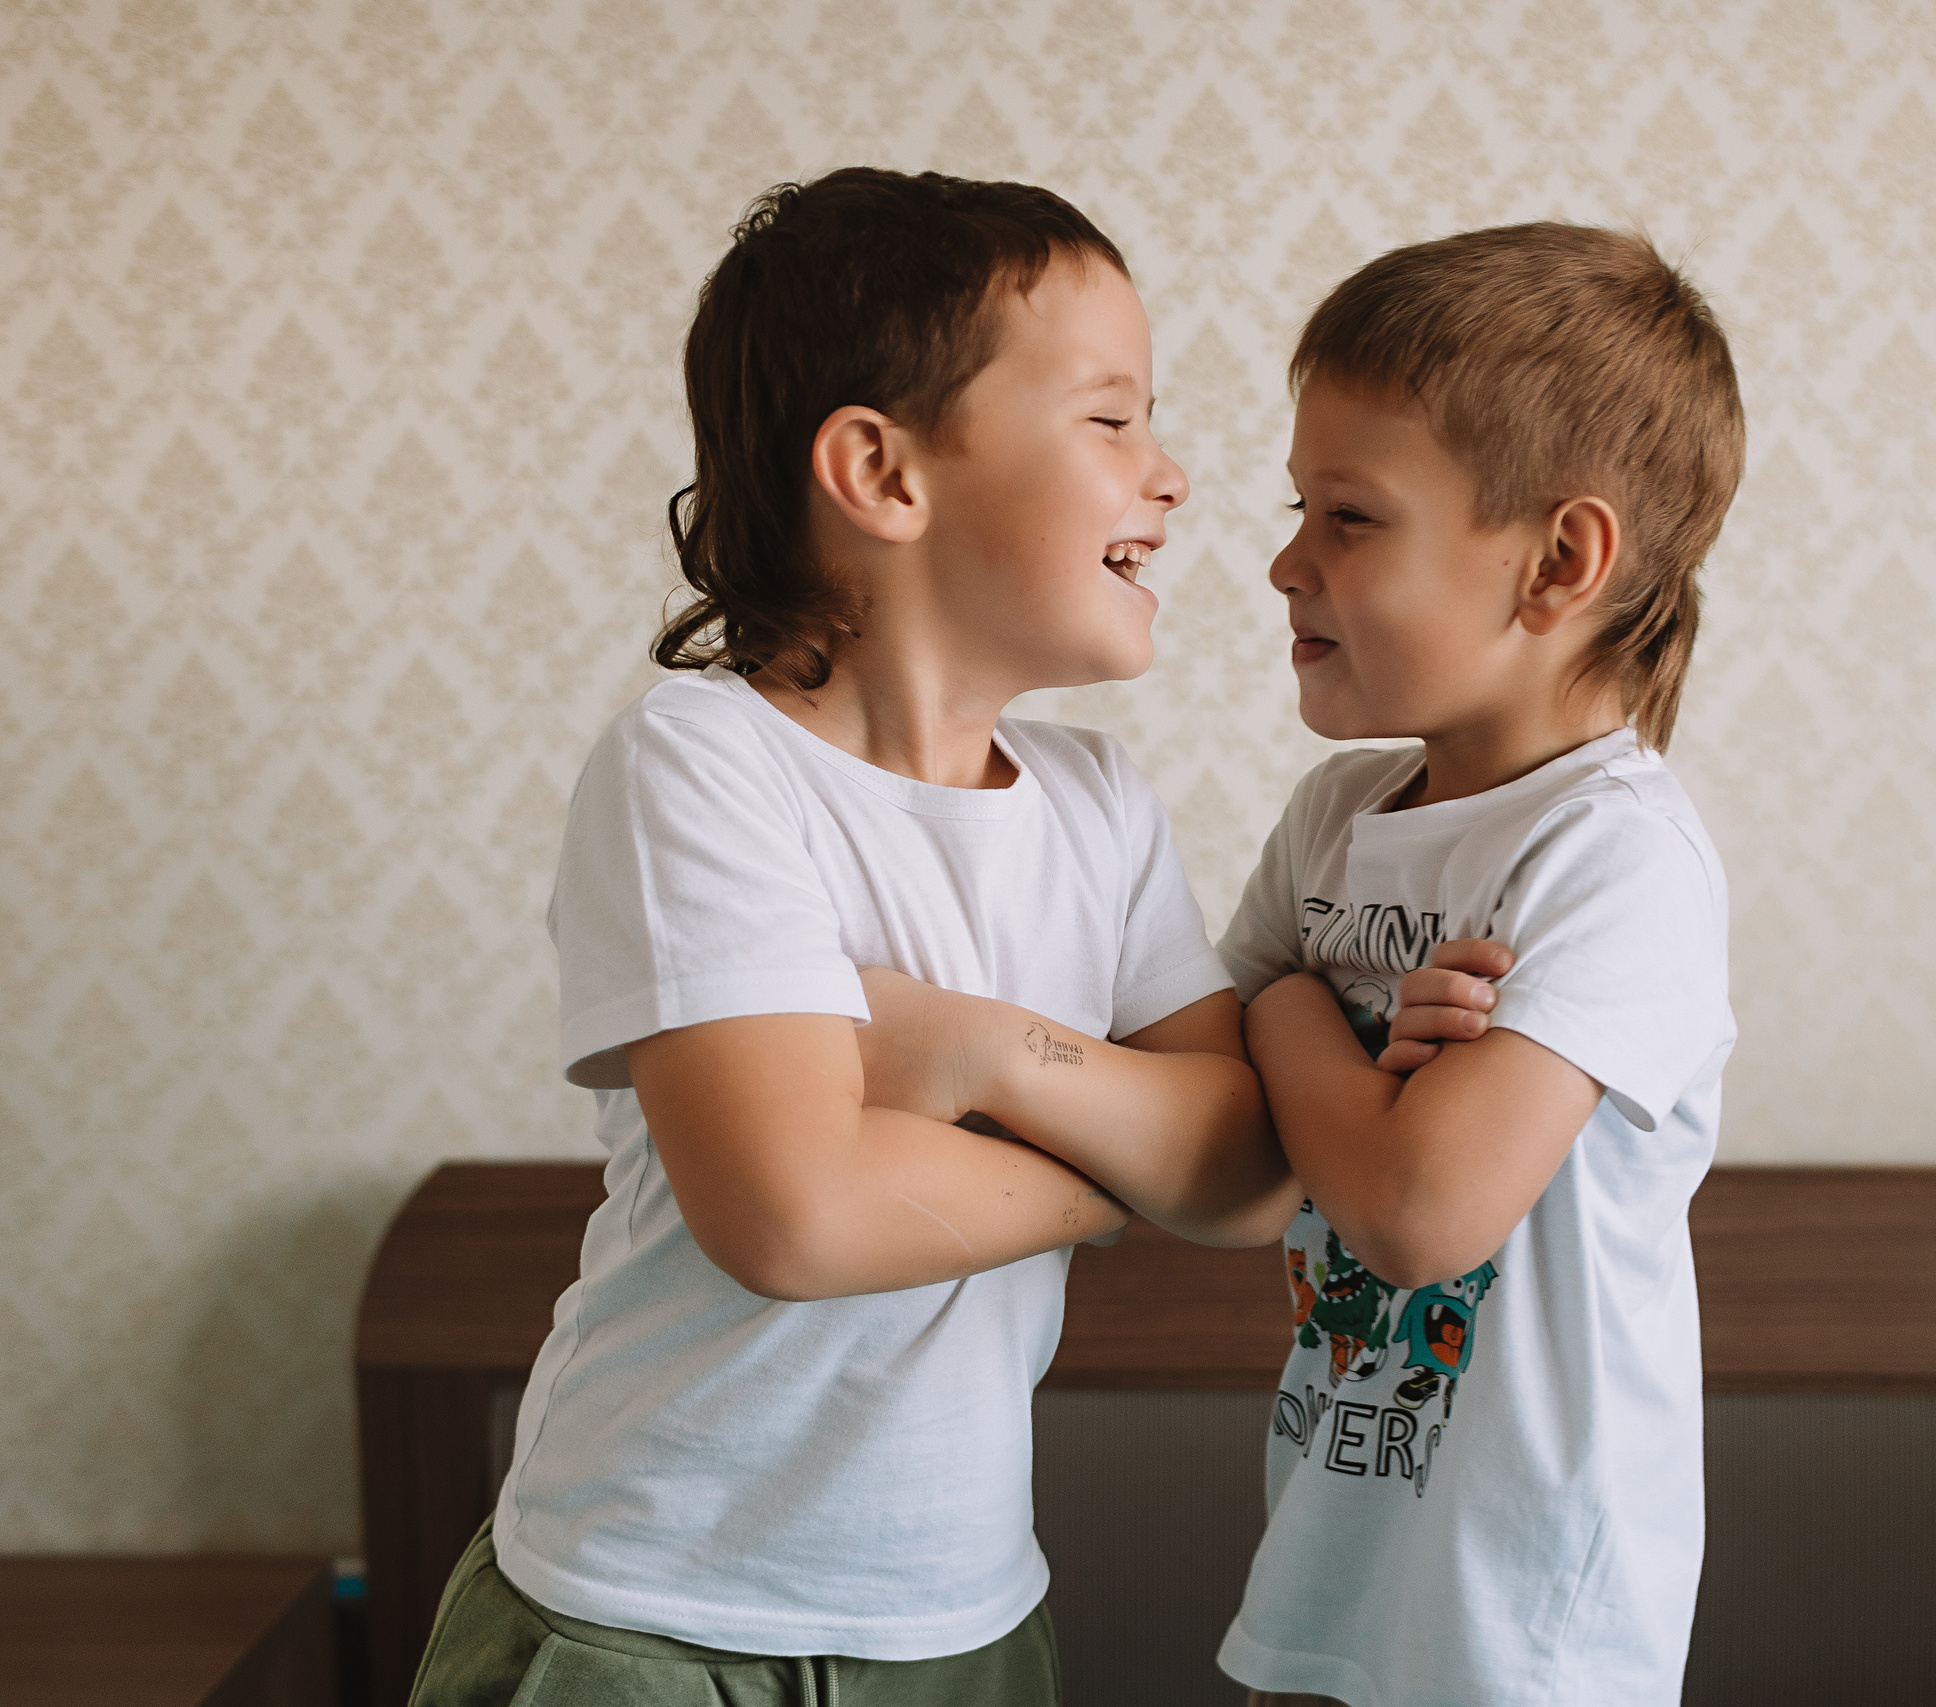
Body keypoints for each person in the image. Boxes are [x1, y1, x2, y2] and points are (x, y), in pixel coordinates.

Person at [408, 167, 1298, 1707]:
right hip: (643, 1621)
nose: (1172, 477)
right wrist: (1113, 1167)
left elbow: (1241, 1168)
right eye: (1111, 419)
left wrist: (972, 1052)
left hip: (960, 1624)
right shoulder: (697, 765)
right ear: (882, 473)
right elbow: (799, 1217)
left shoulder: (1098, 803)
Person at [1215, 222, 1746, 1707]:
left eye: (1352, 518)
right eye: (1297, 506)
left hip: (1522, 1632)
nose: (1285, 561)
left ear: (1560, 561)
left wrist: (1292, 1003)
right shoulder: (1335, 817)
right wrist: (1323, 1037)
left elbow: (1418, 1210)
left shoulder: (1616, 856)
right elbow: (1205, 1085)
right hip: (1329, 1558)